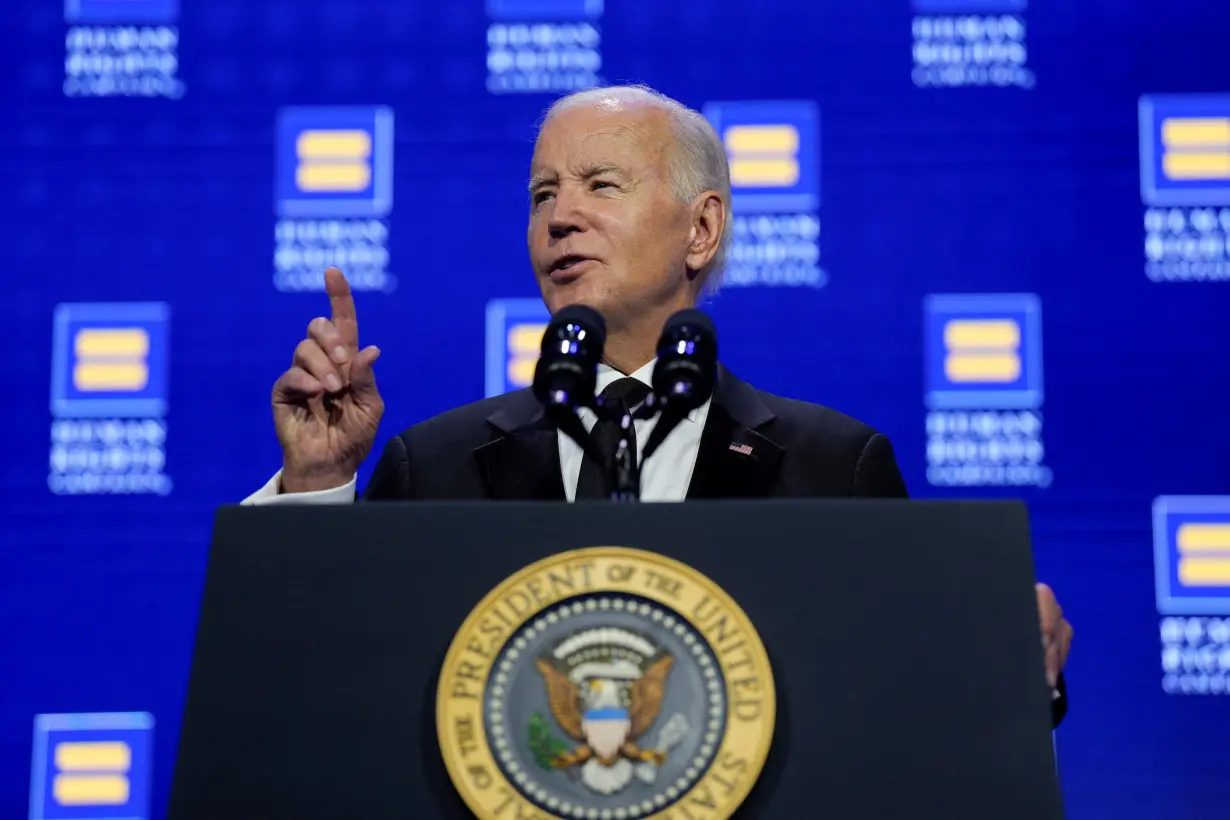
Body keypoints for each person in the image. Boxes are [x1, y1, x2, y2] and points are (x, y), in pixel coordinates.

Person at [241, 84, 1073, 724]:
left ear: (700, 230)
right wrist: (317, 484)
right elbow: (324, 701)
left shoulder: (834, 466)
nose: (561, 218)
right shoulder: (437, 464)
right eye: (541, 195)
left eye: (600, 185)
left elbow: (903, 713)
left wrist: (1009, 675)